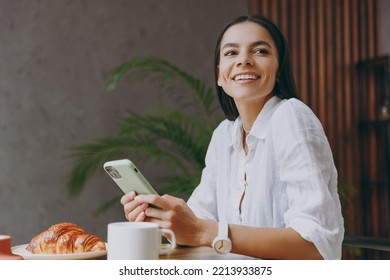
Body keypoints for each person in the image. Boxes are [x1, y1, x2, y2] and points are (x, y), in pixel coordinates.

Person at [120, 15, 344, 260]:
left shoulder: (290, 116)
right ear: (219, 75)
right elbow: (198, 221)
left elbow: (314, 247)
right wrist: (163, 219)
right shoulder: (224, 135)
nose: (244, 61)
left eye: (260, 51)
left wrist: (200, 231)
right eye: (231, 53)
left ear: (279, 69)